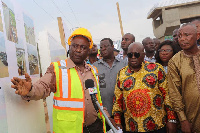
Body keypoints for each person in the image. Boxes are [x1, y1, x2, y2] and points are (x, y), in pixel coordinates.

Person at [10, 28, 115, 133]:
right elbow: (43, 86)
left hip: (95, 127)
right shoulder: (57, 68)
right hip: (69, 130)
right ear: (70, 47)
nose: (78, 50)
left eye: (83, 47)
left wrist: (107, 117)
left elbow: (97, 100)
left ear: (88, 51)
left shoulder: (93, 70)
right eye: (75, 46)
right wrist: (31, 90)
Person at [112, 42, 177, 133]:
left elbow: (167, 95)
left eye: (137, 54)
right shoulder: (121, 73)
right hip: (132, 127)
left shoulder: (156, 69)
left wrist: (171, 119)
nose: (133, 57)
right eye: (130, 55)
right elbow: (117, 100)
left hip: (157, 126)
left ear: (143, 55)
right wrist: (117, 122)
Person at [168, 23, 200, 133]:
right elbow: (174, 92)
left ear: (198, 36)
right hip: (191, 117)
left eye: (186, 35)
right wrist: (183, 119)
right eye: (180, 36)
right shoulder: (175, 61)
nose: (182, 39)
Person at [93, 38, 126, 116]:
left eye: (105, 46)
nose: (103, 49)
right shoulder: (94, 67)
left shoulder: (123, 64)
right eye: (101, 47)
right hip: (105, 112)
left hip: (123, 111)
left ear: (112, 46)